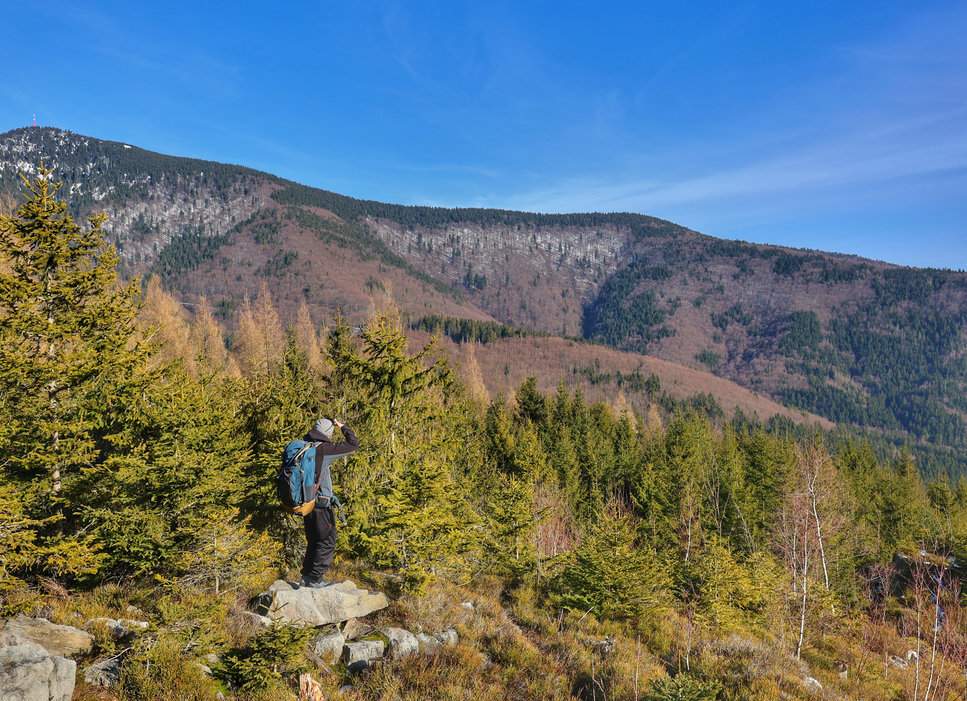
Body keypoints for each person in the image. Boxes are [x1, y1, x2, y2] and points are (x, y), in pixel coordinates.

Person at [300, 417, 359, 588]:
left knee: (314, 540)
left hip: (306, 502)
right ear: (328, 433)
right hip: (320, 504)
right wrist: (343, 427)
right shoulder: (324, 449)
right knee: (327, 541)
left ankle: (307, 577)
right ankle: (314, 578)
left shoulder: (305, 446)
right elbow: (353, 444)